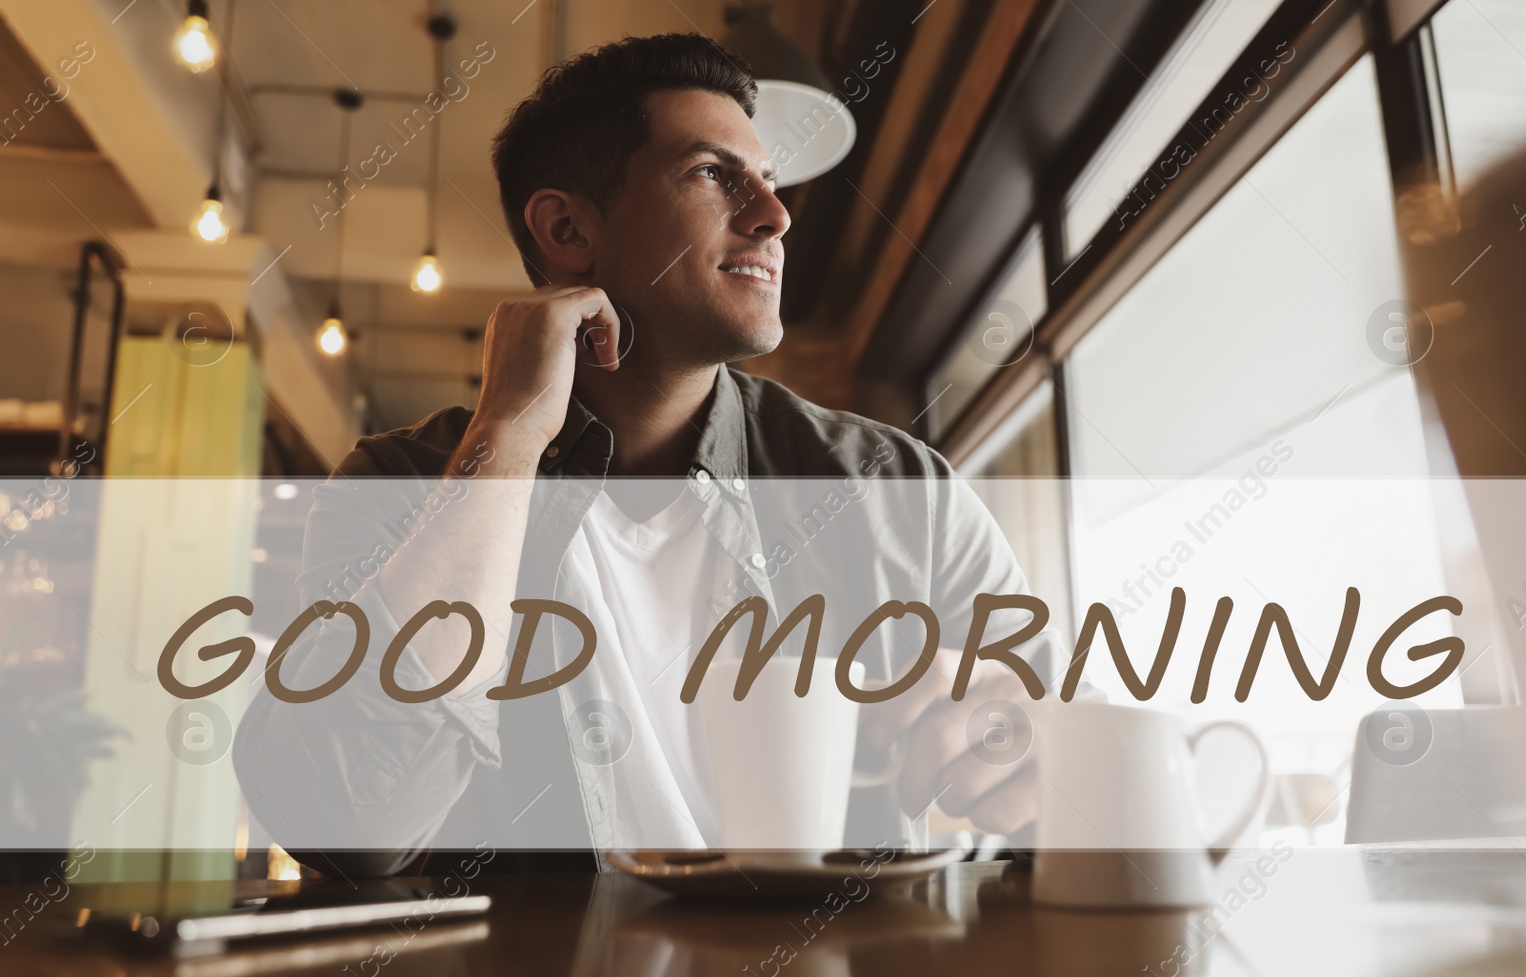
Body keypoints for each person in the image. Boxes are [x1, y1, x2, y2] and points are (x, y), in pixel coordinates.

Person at [234, 33, 1064, 877]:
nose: (775, 215)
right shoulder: (396, 487)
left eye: (769, 181)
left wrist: (1025, 757)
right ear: (566, 228)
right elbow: (345, 827)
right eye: (712, 173)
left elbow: (1070, 790)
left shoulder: (900, 493)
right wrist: (511, 431)